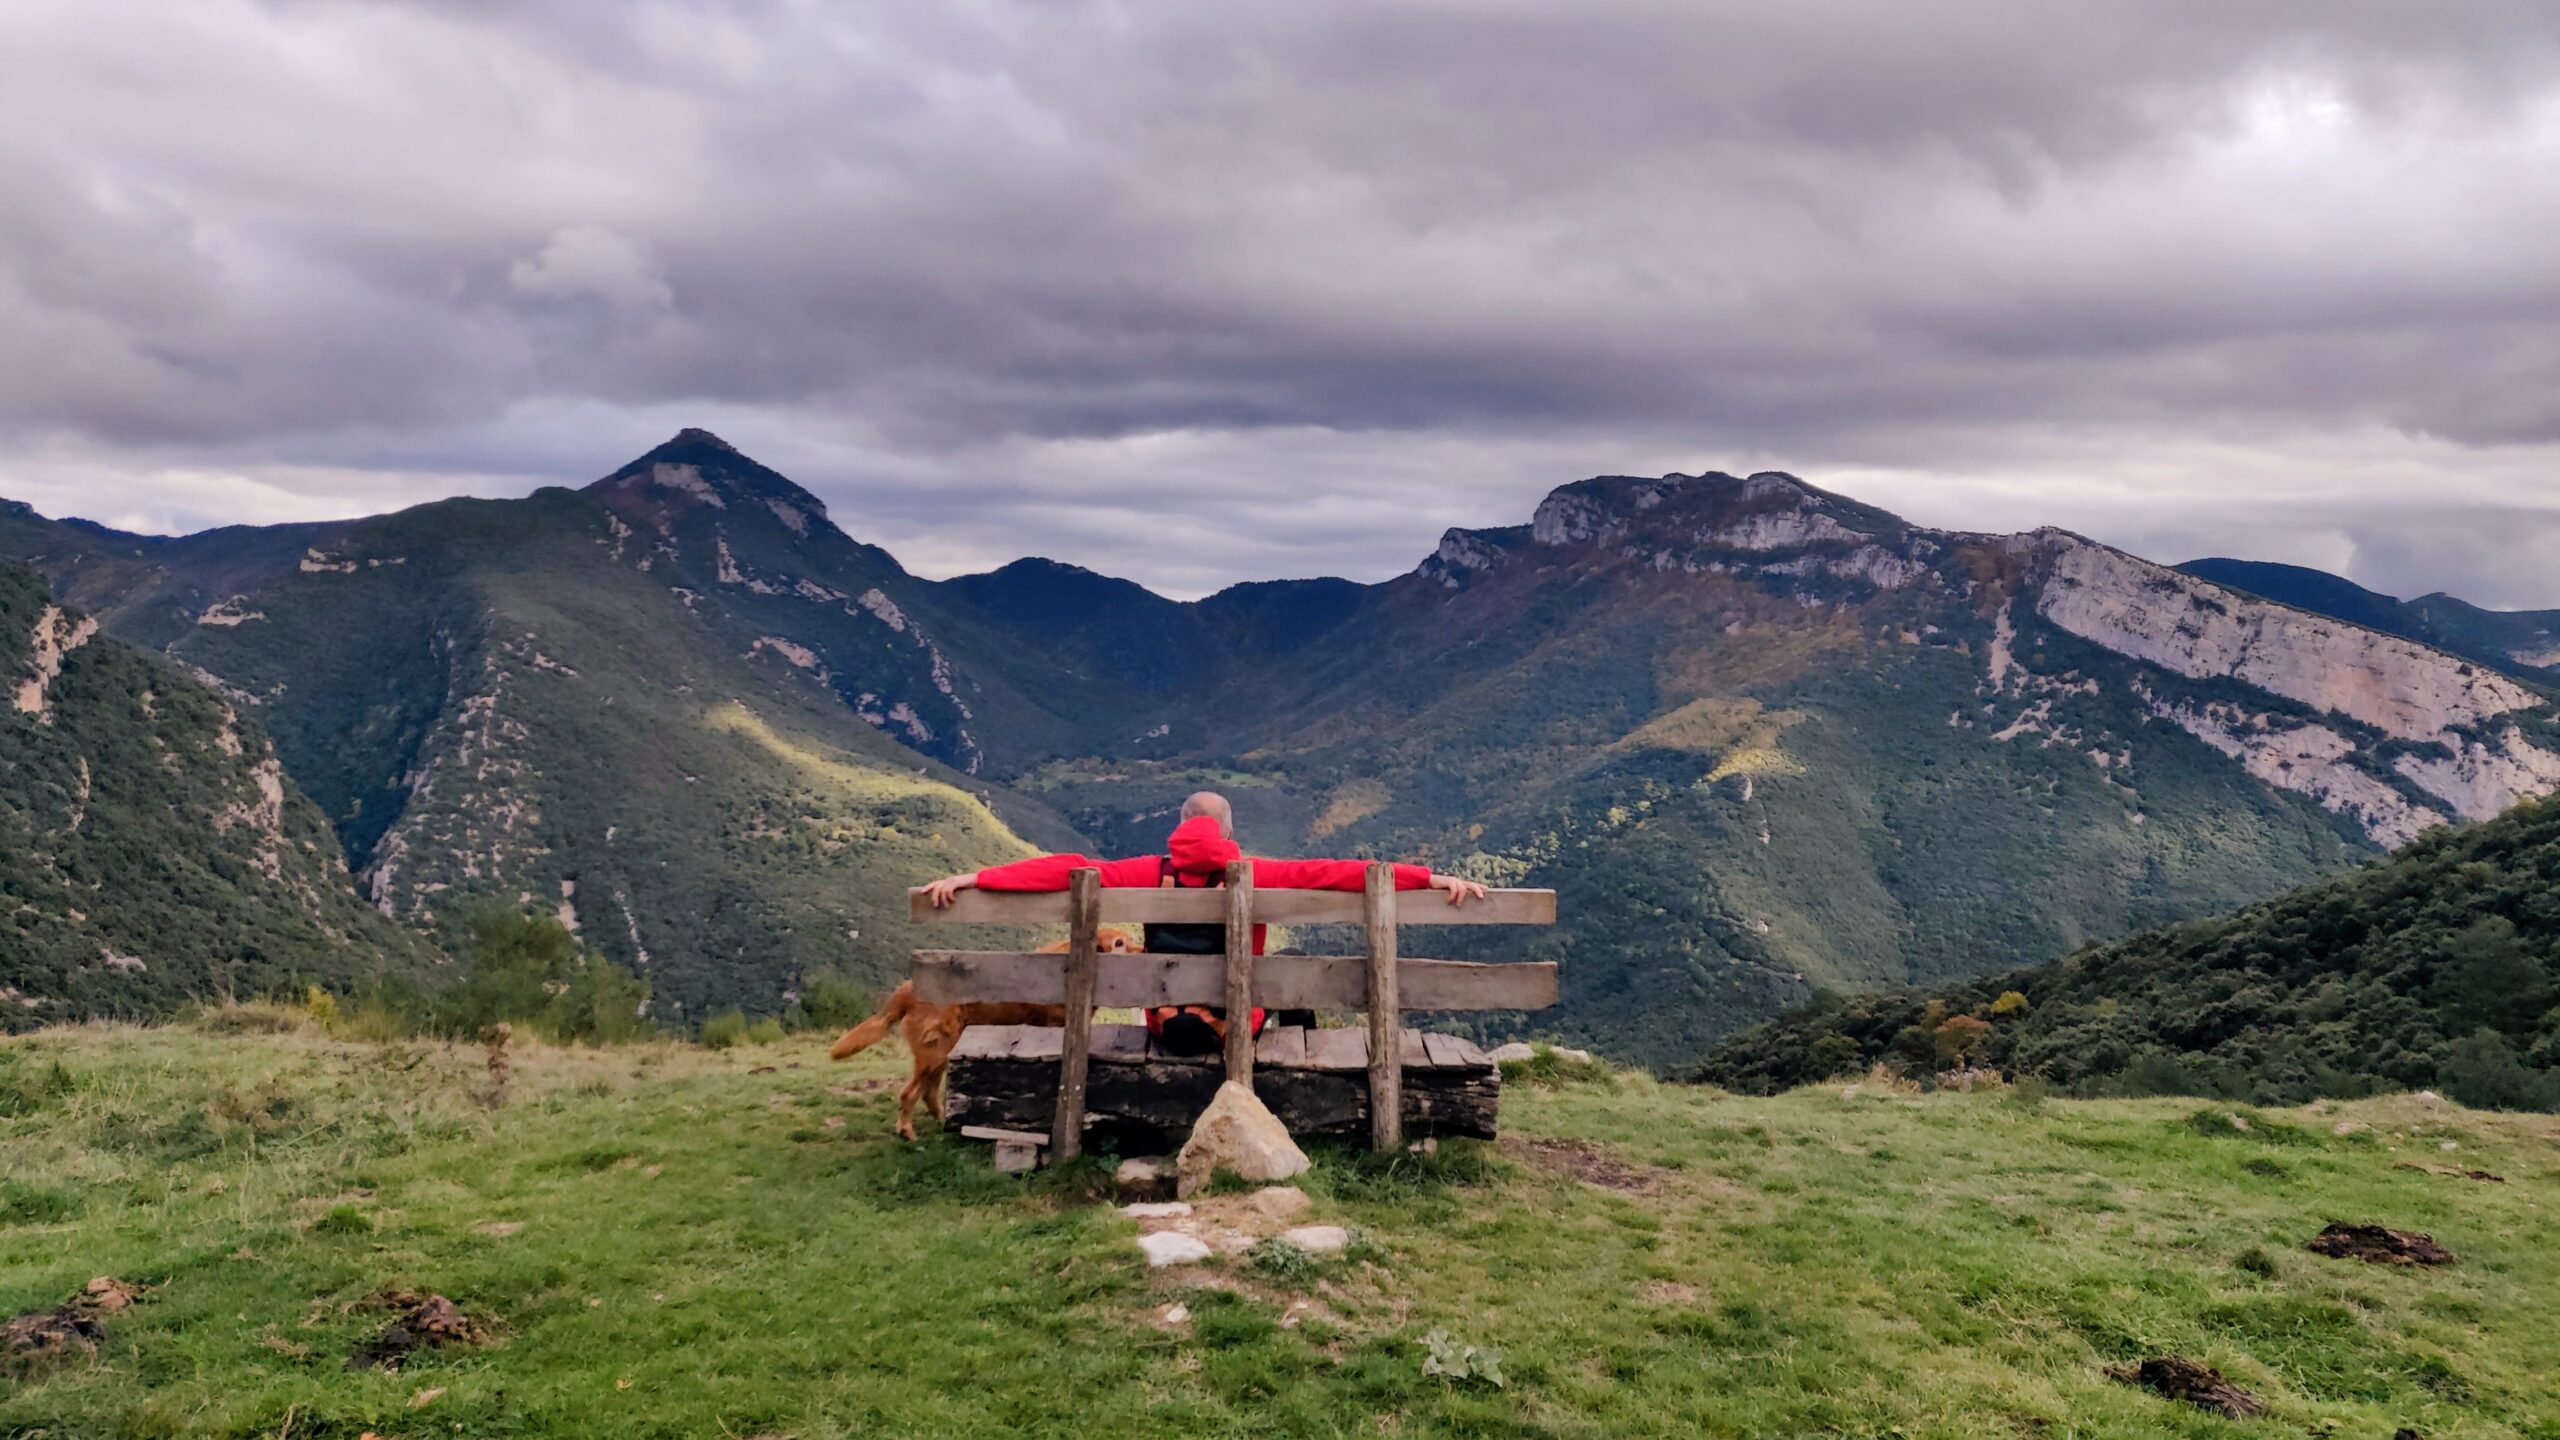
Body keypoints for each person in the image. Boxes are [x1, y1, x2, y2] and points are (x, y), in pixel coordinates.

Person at [918, 790, 1486, 1053]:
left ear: (1180, 823)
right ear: (1228, 830)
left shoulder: (1150, 870)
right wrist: (1426, 877)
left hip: (1167, 1024)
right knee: (1293, 974)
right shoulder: (1248, 870)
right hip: (1231, 1023)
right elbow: (1331, 873)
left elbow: (1072, 869)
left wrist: (980, 877)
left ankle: (1186, 1012)